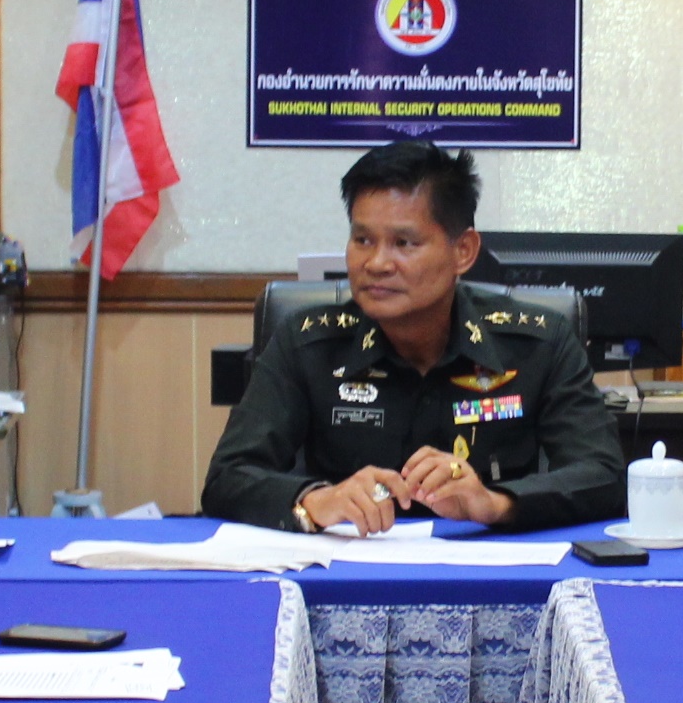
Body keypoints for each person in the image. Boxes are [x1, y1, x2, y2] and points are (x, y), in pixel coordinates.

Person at [204, 139, 621, 533]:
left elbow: (603, 475)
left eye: (404, 243)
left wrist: (494, 503)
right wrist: (315, 501)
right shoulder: (308, 342)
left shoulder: (538, 343)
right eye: (362, 239)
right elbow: (227, 478)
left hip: (487, 572)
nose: (377, 263)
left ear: (463, 251)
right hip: (346, 573)